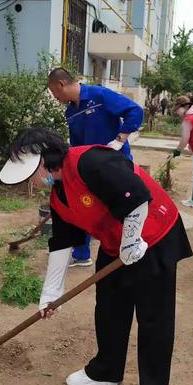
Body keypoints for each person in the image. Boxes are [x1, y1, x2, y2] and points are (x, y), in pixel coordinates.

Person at [0, 127, 193, 385]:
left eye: (29, 176)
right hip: (116, 244)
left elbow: (135, 196)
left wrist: (133, 238)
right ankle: (107, 370)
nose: (28, 184)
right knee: (109, 307)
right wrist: (51, 293)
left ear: (42, 163)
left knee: (153, 317)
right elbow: (62, 243)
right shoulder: (59, 195)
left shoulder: (89, 161)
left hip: (154, 235)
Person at [48, 67, 143, 267]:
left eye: (54, 92)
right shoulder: (71, 112)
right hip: (88, 168)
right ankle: (82, 254)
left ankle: (125, 251)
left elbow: (134, 111)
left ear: (61, 84)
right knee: (82, 205)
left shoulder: (99, 95)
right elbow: (76, 144)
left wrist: (120, 139)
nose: (54, 97)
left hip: (114, 166)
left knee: (118, 210)